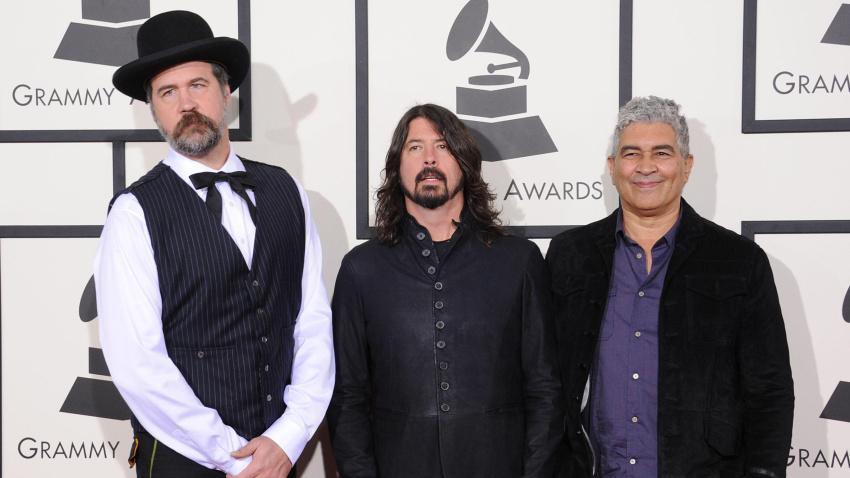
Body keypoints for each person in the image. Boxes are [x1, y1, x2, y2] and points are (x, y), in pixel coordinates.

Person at [95, 10, 334, 478]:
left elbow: (311, 321)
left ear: (226, 93)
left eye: (198, 85)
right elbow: (137, 363)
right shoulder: (134, 213)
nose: (186, 103)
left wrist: (288, 436)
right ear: (154, 108)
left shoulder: (287, 190)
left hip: (279, 455)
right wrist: (232, 456)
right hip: (184, 460)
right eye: (168, 92)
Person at [546, 96, 794, 477]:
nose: (646, 167)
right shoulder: (568, 257)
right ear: (613, 168)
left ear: (686, 165)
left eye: (662, 153)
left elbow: (770, 391)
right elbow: (544, 382)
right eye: (632, 154)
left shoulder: (739, 262)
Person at [327, 103, 563, 477]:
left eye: (443, 146)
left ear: (465, 163)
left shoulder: (519, 261)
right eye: (415, 147)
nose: (430, 159)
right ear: (396, 166)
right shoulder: (362, 270)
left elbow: (545, 390)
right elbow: (347, 399)